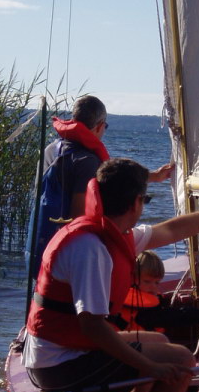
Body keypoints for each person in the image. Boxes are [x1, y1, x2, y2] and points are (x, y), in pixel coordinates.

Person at [24, 157, 199, 392]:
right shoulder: (91, 248)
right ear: (136, 202)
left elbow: (173, 229)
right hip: (57, 364)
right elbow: (91, 326)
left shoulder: (109, 232)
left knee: (160, 340)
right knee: (181, 361)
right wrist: (151, 367)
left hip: (67, 349)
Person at [32, 95, 173, 274]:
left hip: (40, 246)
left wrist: (153, 176)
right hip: (66, 258)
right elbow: (78, 217)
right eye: (105, 126)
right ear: (99, 126)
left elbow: (114, 177)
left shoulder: (51, 149)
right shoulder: (86, 161)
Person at [121, 250, 199, 334]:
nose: (153, 286)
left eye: (157, 282)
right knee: (180, 350)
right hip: (133, 344)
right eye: (147, 281)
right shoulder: (141, 308)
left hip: (143, 340)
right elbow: (172, 317)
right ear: (133, 279)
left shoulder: (145, 300)